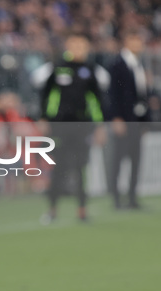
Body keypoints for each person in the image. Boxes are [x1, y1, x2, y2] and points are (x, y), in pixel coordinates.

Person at [34, 32, 108, 222]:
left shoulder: (90, 70)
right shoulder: (58, 68)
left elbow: (96, 101)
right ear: (68, 46)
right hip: (60, 126)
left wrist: (99, 126)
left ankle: (82, 210)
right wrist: (44, 118)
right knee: (58, 168)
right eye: (75, 45)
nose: (79, 49)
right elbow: (47, 96)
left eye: (82, 46)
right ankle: (52, 210)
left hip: (81, 126)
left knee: (81, 168)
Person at [108, 30, 150, 209]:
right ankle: (116, 198)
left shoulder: (139, 65)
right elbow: (113, 95)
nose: (138, 44)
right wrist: (116, 118)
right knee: (118, 160)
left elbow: (142, 97)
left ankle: (132, 198)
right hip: (123, 121)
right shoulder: (118, 65)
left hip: (136, 122)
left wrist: (144, 121)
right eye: (135, 39)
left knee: (135, 161)